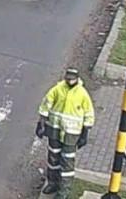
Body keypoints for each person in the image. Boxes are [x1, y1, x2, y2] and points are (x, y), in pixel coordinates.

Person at [36, 68, 95, 198]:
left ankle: (64, 192)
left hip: (71, 133)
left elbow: (89, 114)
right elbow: (46, 105)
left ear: (77, 78)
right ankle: (53, 183)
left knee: (67, 162)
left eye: (72, 78)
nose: (69, 80)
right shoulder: (57, 89)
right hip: (54, 130)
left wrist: (85, 134)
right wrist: (40, 124)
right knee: (53, 158)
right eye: (68, 78)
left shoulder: (82, 93)